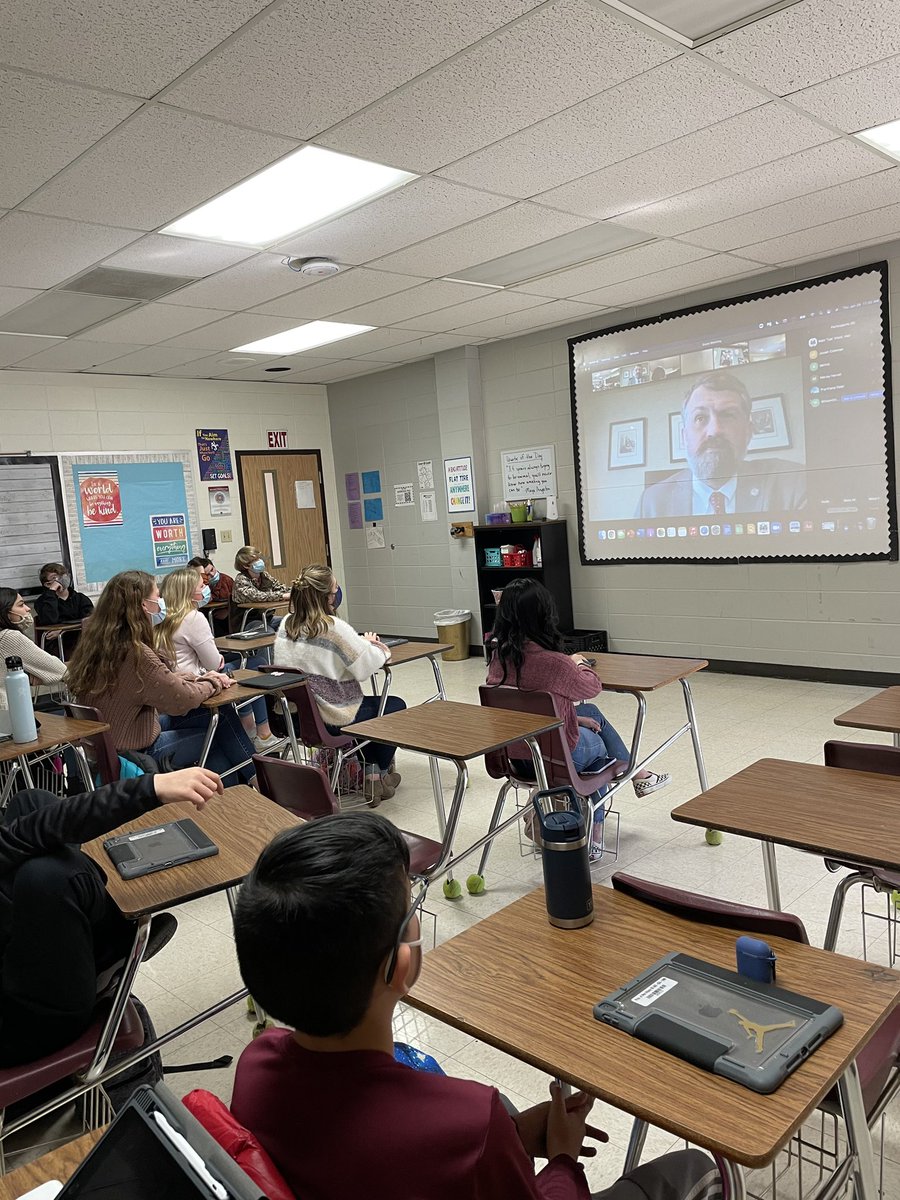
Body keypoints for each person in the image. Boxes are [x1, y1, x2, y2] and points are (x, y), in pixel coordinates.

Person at [231, 813, 722, 1200]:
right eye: (412, 910)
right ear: (400, 963)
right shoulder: (467, 1123)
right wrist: (564, 1161)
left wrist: (506, 1136)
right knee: (696, 1169)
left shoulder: (257, 1064)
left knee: (503, 1110)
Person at [0, 765, 221, 1065]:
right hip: (22, 1019)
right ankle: (116, 941)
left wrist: (152, 788)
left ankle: (107, 938)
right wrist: (150, 788)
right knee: (48, 877)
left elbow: (30, 831)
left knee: (31, 803)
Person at [486, 579, 669, 858]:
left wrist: (574, 718)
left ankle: (638, 776)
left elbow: (528, 709)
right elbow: (591, 687)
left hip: (516, 757)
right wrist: (579, 663)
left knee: (589, 715)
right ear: (543, 614)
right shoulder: (555, 662)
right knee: (600, 755)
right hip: (560, 757)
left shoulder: (499, 657)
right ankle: (609, 813)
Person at [66, 570, 257, 787]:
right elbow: (181, 699)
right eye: (157, 597)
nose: (161, 602)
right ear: (142, 606)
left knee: (219, 717)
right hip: (135, 751)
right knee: (218, 732)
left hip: (107, 745)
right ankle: (248, 789)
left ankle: (240, 790)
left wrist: (198, 679)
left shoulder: (97, 645)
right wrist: (212, 683)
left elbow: (162, 679)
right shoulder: (135, 653)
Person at [273, 564, 403, 804]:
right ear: (328, 596)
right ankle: (379, 775)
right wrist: (377, 648)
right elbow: (365, 668)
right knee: (394, 707)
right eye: (335, 588)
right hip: (331, 719)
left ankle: (372, 774)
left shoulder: (285, 626)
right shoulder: (333, 627)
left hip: (295, 720)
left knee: (370, 711)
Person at [638, 372, 806, 518]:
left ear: (748, 431)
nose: (714, 430)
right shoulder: (652, 502)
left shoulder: (795, 484)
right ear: (684, 436)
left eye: (728, 415)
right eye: (700, 418)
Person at [157, 567, 279, 752]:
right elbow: (214, 664)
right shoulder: (192, 618)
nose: (206, 588)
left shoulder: (161, 620)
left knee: (241, 666)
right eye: (201, 585)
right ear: (189, 593)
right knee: (254, 664)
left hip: (175, 689)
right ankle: (262, 733)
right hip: (196, 685)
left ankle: (251, 727)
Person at [0, 587, 67, 713]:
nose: (28, 608)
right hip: (7, 716)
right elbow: (58, 670)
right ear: (6, 612)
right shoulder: (8, 637)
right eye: (21, 605)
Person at [232, 547, 290, 630]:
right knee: (269, 633)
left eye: (258, 558)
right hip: (248, 621)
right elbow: (258, 596)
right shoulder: (241, 580)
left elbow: (280, 588)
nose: (259, 561)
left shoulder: (264, 575)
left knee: (292, 624)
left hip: (267, 618)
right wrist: (283, 596)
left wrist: (296, 591)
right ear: (245, 566)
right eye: (254, 560)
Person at [34, 562, 94, 627]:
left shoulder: (81, 598)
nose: (61, 579)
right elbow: (49, 621)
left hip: (80, 634)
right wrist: (52, 591)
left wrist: (63, 630)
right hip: (58, 637)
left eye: (62, 575)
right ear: (47, 584)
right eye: (54, 577)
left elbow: (90, 621)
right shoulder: (42, 602)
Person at [188, 556, 234, 634]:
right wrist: (204, 581)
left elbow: (236, 600)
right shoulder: (200, 584)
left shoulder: (226, 580)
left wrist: (227, 611)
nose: (212, 574)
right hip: (207, 615)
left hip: (228, 615)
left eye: (212, 570)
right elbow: (206, 599)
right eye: (207, 574)